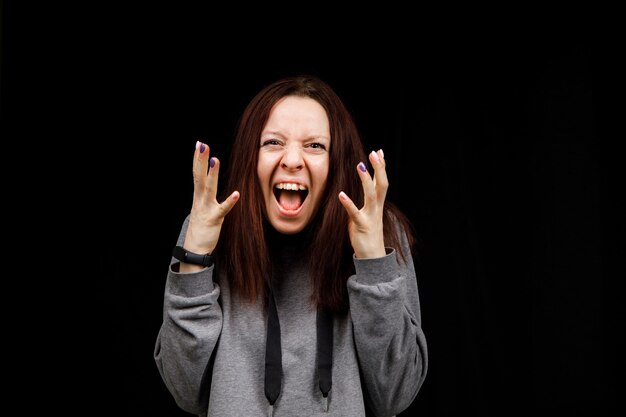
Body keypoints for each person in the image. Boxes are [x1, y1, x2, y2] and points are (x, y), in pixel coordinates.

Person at [154, 75, 428, 417]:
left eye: (314, 145)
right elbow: (184, 390)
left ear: (337, 162)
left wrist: (373, 263)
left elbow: (395, 396)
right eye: (273, 142)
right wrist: (195, 258)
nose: (292, 160)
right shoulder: (207, 228)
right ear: (250, 158)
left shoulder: (380, 231)